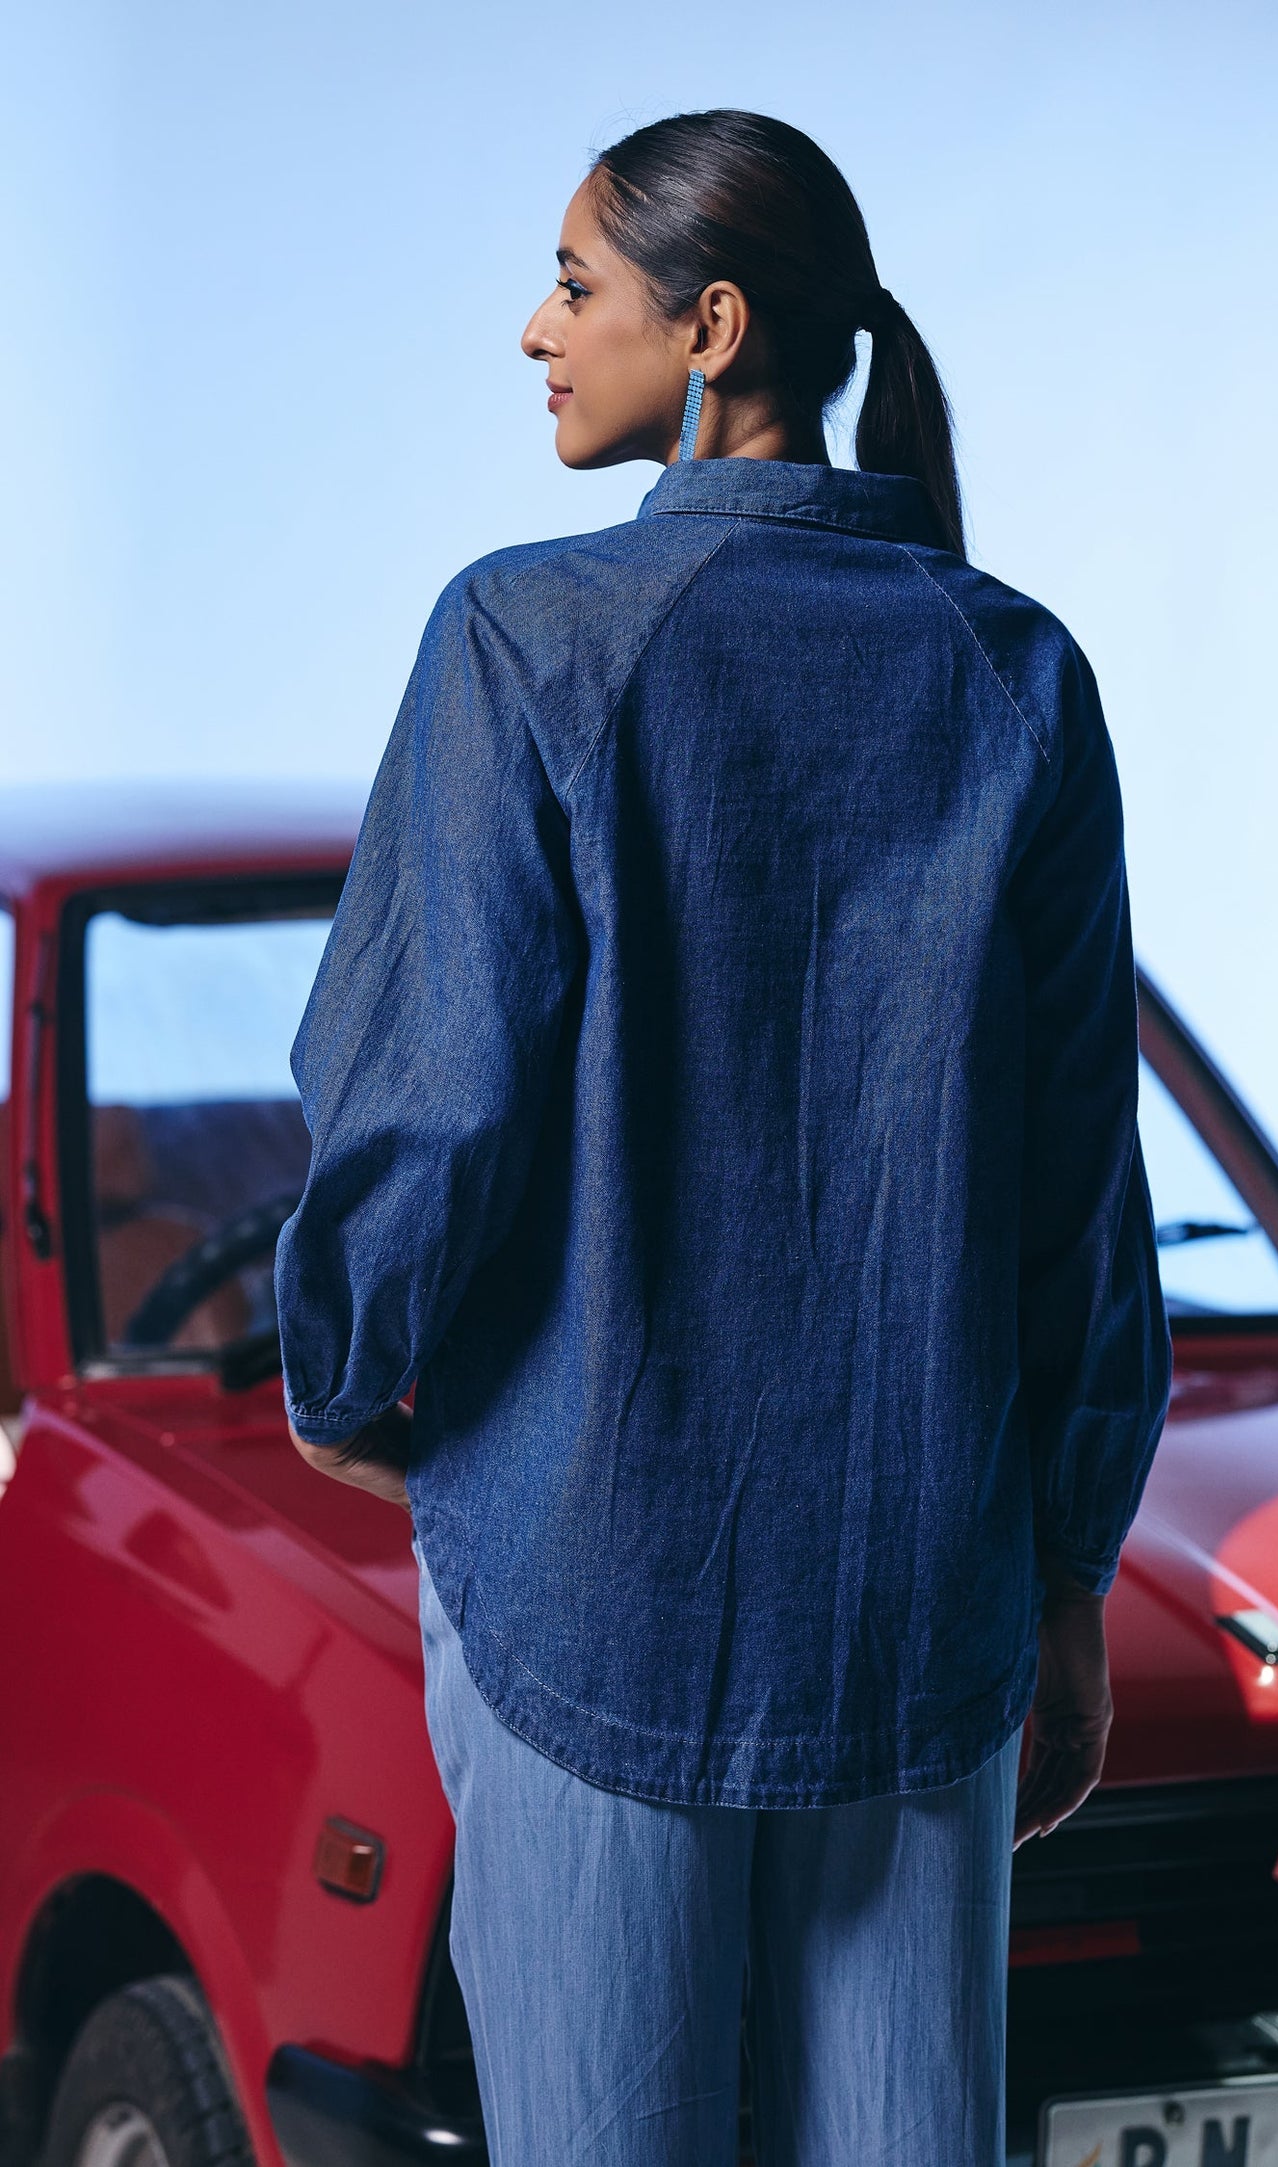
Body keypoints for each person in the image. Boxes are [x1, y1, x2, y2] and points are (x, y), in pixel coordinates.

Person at [276, 107, 1171, 2167]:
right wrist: (1061, 1567)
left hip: (595, 1572)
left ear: (716, 328)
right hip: (927, 1588)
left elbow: (432, 1094)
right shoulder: (1017, 673)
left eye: (577, 285)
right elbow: (1074, 1179)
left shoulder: (525, 639)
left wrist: (342, 1365)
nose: (537, 328)